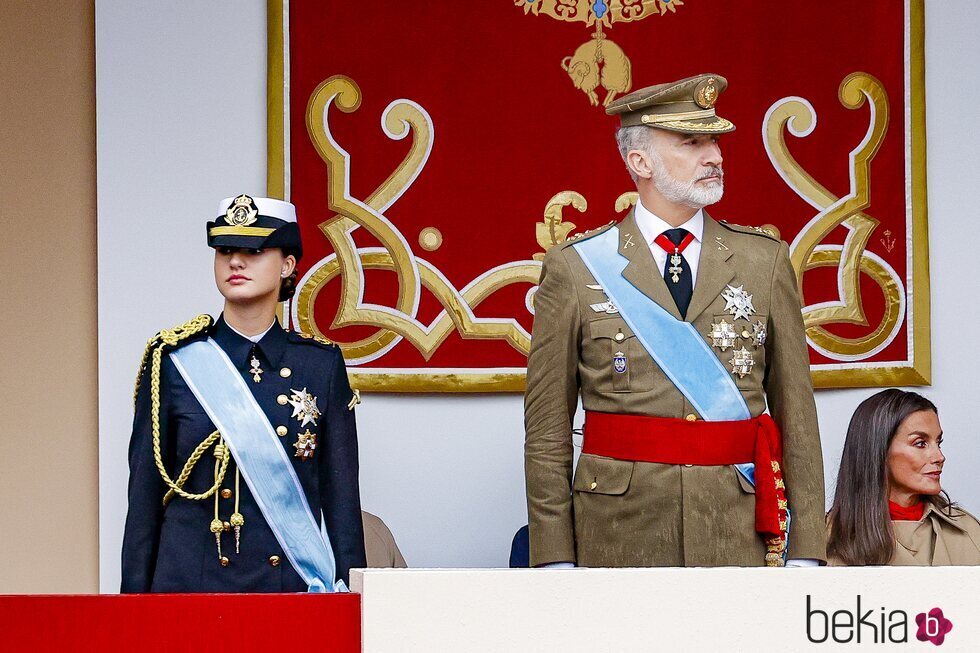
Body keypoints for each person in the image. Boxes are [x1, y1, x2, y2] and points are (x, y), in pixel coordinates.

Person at [524, 74, 826, 568]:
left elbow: (797, 415)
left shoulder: (764, 262)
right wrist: (554, 557)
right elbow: (546, 430)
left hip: (736, 528)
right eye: (693, 142)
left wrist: (808, 548)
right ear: (639, 161)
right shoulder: (575, 266)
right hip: (618, 531)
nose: (716, 156)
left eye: (714, 141)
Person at [121, 194, 366, 592]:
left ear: (287, 264)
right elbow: (144, 501)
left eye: (254, 250)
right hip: (188, 589)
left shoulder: (319, 366)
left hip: (286, 587)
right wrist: (132, 608)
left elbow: (341, 501)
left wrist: (354, 601)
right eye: (225, 250)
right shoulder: (173, 359)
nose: (235, 261)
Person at [827, 389, 980, 566]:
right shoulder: (825, 540)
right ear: (878, 452)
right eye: (920, 443)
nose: (939, 456)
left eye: (938, 443)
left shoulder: (969, 530)